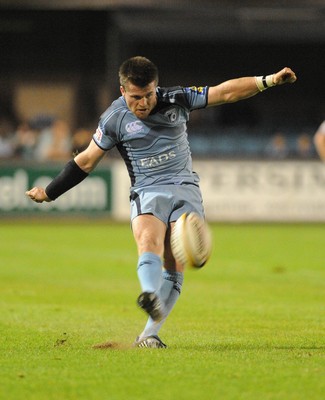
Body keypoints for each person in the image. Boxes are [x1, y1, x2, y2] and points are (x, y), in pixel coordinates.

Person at [26, 56, 297, 348]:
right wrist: (50, 192)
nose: (143, 103)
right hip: (148, 189)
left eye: (148, 95)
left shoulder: (177, 98)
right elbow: (87, 160)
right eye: (135, 97)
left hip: (184, 189)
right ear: (122, 91)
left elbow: (224, 92)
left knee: (175, 262)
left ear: (156, 87)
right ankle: (149, 294)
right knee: (148, 239)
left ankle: (148, 334)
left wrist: (268, 80)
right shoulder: (114, 118)